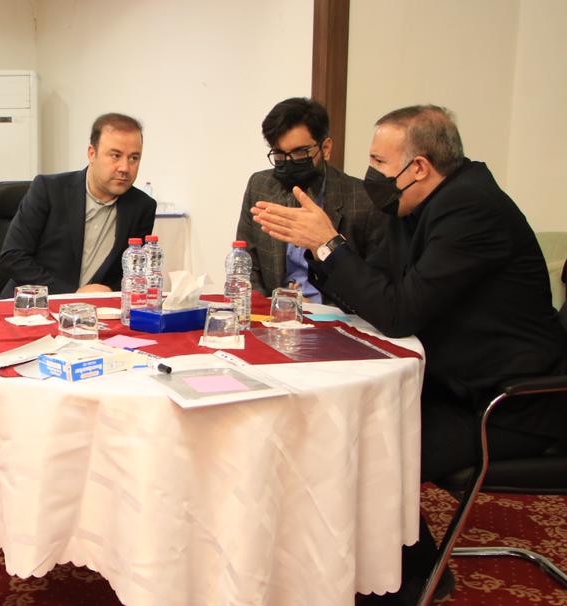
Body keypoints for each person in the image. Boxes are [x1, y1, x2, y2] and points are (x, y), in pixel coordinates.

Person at [251, 105, 567, 604]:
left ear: (418, 167)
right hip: (451, 384)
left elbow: (398, 312)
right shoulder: (413, 204)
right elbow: (376, 287)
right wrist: (321, 250)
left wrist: (328, 244)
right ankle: (412, 568)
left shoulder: (472, 211)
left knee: (361, 452)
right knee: (348, 429)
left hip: (508, 405)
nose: (370, 173)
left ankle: (403, 585)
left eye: (379, 162)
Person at [236, 97, 386, 303]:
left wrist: (316, 307)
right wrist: (271, 306)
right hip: (274, 311)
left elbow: (374, 286)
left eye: (300, 152)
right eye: (279, 154)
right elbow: (246, 265)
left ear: (326, 148)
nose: (288, 162)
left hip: (333, 313)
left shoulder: (363, 199)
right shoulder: (260, 186)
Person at [0, 113, 156, 297]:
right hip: (34, 304)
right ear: (92, 154)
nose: (125, 168)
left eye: (134, 158)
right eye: (115, 155)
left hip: (97, 309)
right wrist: (73, 293)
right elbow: (13, 257)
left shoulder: (142, 207)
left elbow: (130, 273)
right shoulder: (49, 190)